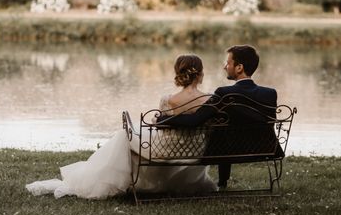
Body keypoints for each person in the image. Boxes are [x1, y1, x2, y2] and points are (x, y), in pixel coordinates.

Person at [26, 54, 217, 199]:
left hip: (166, 149)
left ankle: (108, 181)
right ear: (200, 74)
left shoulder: (168, 99)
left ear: (179, 73)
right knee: (129, 135)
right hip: (195, 150)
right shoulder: (210, 99)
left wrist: (158, 121)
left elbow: (162, 129)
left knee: (123, 136)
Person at [158, 45, 280, 190]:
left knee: (223, 134)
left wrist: (163, 119)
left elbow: (194, 121)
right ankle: (222, 182)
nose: (224, 67)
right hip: (265, 148)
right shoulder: (270, 93)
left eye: (228, 63)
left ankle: (223, 182)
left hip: (229, 151)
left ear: (239, 67)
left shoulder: (224, 93)